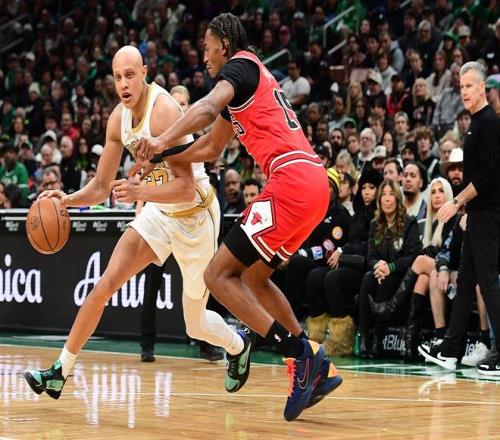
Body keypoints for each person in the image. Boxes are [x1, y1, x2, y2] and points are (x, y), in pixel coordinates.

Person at [132, 13, 342, 421]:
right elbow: (210, 149)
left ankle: (300, 354)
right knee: (254, 278)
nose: (204, 57)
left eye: (207, 48)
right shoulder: (247, 86)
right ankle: (313, 364)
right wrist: (164, 155)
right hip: (312, 184)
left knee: (217, 275)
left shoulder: (241, 66)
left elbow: (207, 106)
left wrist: (160, 138)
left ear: (224, 44)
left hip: (290, 181)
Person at [24, 46, 244, 399]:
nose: (123, 84)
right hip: (159, 212)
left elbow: (186, 187)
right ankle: (59, 372)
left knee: (195, 324)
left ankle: (237, 344)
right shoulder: (118, 120)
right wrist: (66, 200)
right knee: (104, 285)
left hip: (195, 216)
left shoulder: (163, 111)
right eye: (117, 77)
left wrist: (139, 191)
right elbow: (100, 187)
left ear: (144, 73)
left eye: (130, 75)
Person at [418, 62, 500, 376]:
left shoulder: (489, 123)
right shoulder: (476, 123)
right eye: (461, 86)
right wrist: (466, 209)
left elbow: (487, 175)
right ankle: (451, 349)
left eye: (469, 86)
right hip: (476, 213)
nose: (464, 91)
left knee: (487, 281)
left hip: (488, 214)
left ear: (482, 88)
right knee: (465, 281)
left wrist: (456, 202)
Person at [369, 178, 455, 359]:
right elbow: (434, 250)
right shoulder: (433, 222)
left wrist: (426, 255)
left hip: (453, 269)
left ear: (448, 194)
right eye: (433, 192)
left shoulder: (454, 218)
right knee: (422, 278)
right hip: (437, 269)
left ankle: (392, 306)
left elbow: (449, 252)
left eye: (441, 191)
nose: (437, 196)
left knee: (419, 260)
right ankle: (411, 342)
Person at [358, 179, 421, 358]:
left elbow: (413, 256)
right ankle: (364, 335)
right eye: (383, 195)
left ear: (397, 199)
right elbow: (370, 257)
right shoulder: (375, 224)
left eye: (391, 194)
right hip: (380, 272)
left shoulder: (410, 223)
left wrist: (390, 267)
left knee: (383, 281)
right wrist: (378, 265)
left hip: (401, 276)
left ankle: (378, 338)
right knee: (368, 278)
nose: (387, 199)